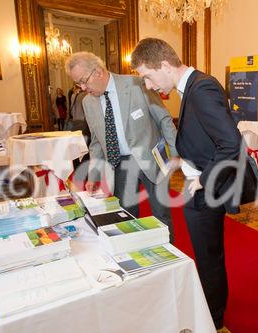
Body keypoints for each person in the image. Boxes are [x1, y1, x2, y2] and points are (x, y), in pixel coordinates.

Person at [131, 38, 243, 331]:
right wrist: (187, 165)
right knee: (207, 256)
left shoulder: (201, 89)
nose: (149, 85)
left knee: (209, 259)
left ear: (165, 66)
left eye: (148, 76)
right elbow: (209, 139)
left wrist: (203, 180)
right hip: (200, 183)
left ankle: (213, 320)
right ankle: (209, 312)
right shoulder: (195, 86)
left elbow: (231, 143)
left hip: (206, 189)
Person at [64, 52, 178, 241]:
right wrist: (93, 174)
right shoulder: (87, 102)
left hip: (152, 157)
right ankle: (133, 254)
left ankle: (169, 256)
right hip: (121, 164)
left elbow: (164, 119)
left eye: (84, 81)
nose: (83, 88)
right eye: (78, 84)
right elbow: (96, 142)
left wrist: (175, 154)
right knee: (126, 216)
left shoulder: (137, 84)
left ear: (98, 71)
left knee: (161, 214)